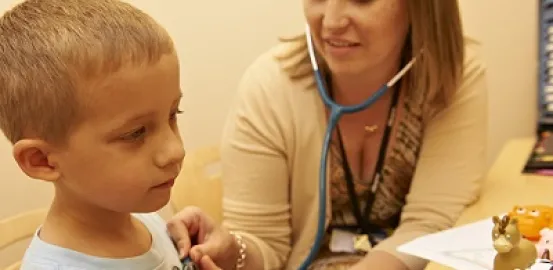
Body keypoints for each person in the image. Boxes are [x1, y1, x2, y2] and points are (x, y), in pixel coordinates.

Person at [168, 0, 488, 269]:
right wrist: (231, 249)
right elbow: (264, 246)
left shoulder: (452, 78)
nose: (331, 22)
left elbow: (430, 222)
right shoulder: (270, 89)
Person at [0, 0, 221, 269]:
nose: (176, 150)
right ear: (41, 160)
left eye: (173, 114)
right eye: (135, 133)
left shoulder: (145, 220)